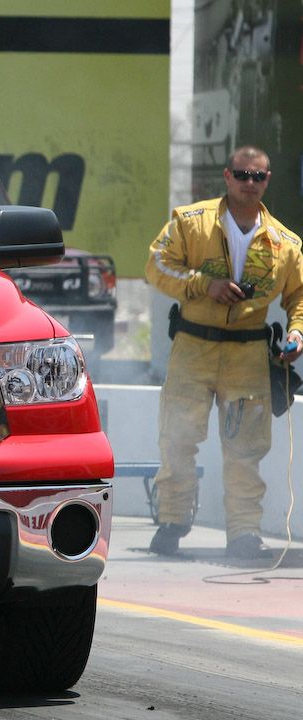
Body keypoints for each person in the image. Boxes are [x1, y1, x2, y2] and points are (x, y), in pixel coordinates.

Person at [145, 145, 303, 558]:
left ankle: (245, 535)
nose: (250, 183)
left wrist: (298, 334)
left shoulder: (285, 242)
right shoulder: (189, 221)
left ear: (267, 181)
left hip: (248, 354)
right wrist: (204, 284)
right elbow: (157, 266)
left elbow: (299, 298)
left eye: (259, 177)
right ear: (227, 176)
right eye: (242, 174)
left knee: (245, 450)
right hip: (192, 346)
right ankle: (173, 521)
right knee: (177, 439)